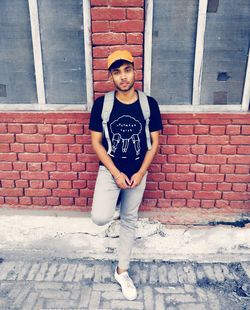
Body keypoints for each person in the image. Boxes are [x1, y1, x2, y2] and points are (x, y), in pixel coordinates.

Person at [89, 50, 162, 300]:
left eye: (127, 70)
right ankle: (115, 199)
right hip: (111, 172)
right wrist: (116, 174)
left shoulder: (148, 104)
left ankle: (122, 271)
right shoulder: (103, 104)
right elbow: (97, 143)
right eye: (117, 72)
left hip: (137, 174)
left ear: (134, 70)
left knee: (129, 221)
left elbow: (154, 143)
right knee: (100, 217)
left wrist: (141, 172)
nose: (123, 77)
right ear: (111, 76)